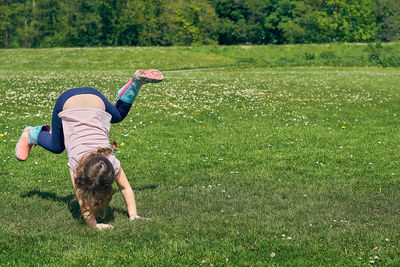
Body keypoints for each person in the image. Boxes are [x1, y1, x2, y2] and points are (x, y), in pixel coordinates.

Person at [14, 69, 164, 230]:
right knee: (57, 146)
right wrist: (94, 225)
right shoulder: (76, 165)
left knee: (118, 117)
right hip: (72, 101)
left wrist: (134, 216)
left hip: (92, 98)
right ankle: (33, 134)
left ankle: (135, 83)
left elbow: (124, 188)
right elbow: (83, 199)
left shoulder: (110, 160)